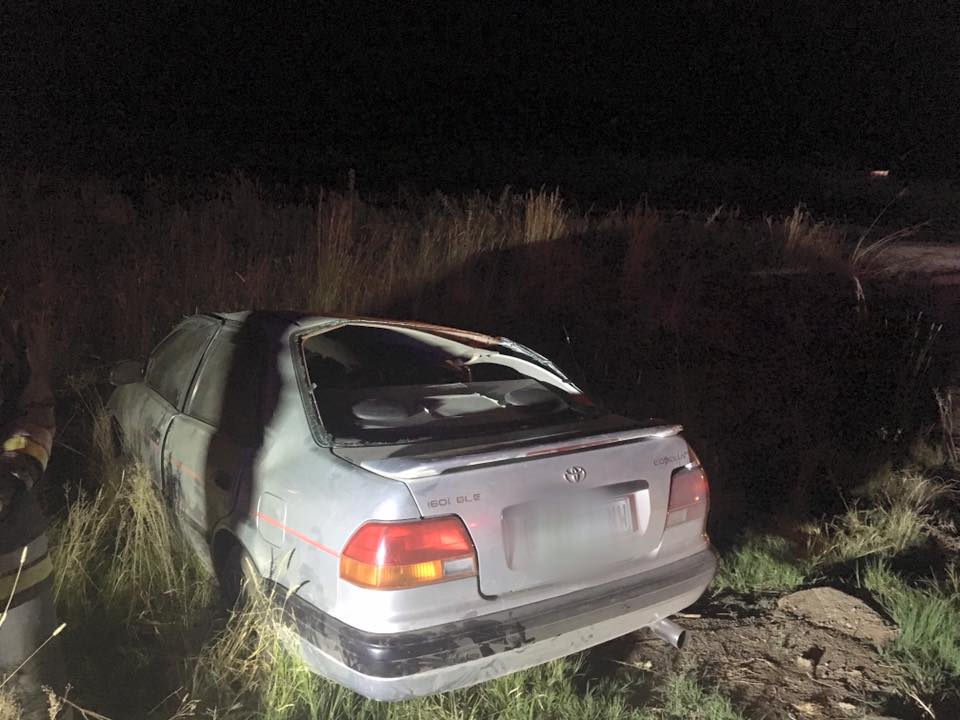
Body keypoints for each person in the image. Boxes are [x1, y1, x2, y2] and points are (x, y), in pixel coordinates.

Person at [0, 306, 64, 719]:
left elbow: (35, 410)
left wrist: (11, 476)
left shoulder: (11, 332)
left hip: (11, 548)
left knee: (30, 687)